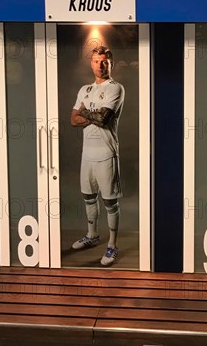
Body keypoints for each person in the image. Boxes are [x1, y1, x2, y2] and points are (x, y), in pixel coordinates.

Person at [70, 46, 125, 267]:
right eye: (96, 61)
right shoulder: (84, 89)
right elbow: (73, 120)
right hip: (87, 154)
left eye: (105, 61)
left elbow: (104, 119)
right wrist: (89, 114)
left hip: (106, 152)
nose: (100, 65)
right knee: (88, 196)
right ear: (91, 63)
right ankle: (92, 235)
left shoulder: (116, 88)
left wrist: (85, 112)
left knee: (110, 201)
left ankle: (112, 245)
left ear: (111, 63)